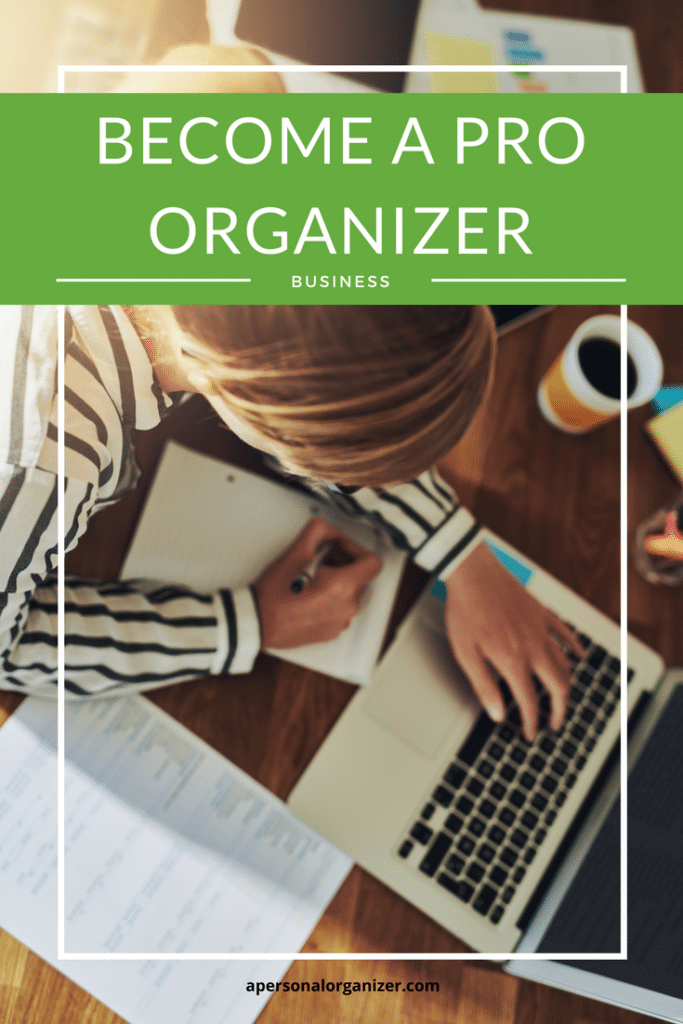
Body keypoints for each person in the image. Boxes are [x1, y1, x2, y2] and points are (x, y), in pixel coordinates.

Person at [0, 303, 581, 741]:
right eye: (343, 473)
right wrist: (245, 625)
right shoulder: (44, 466)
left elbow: (316, 337)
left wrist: (464, 554)